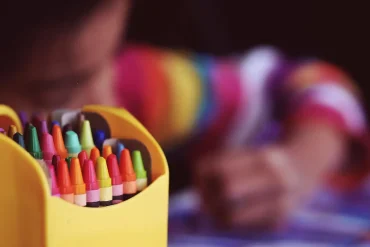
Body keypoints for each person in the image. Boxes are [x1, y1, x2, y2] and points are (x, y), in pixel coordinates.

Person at [0, 0, 368, 229]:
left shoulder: (136, 87)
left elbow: (307, 83)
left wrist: (298, 165)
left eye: (112, 53)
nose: (105, 101)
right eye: (55, 89)